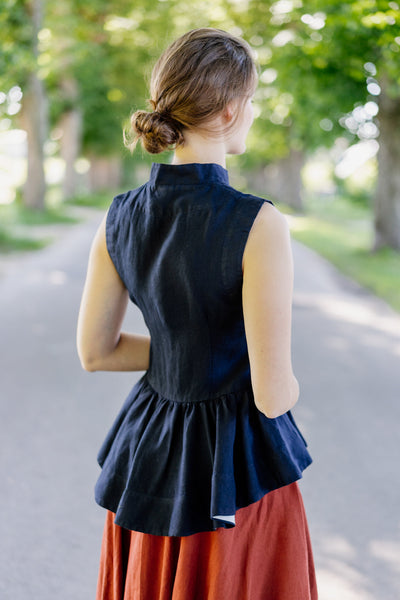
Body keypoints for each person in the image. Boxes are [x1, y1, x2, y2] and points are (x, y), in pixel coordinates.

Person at [77, 28, 318, 600]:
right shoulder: (259, 223)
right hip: (232, 471)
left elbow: (96, 352)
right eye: (253, 100)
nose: (253, 112)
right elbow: (271, 393)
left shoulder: (119, 218)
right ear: (232, 108)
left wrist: (184, 348)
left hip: (150, 458)